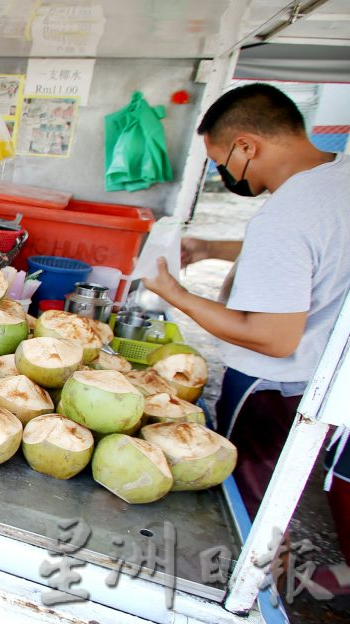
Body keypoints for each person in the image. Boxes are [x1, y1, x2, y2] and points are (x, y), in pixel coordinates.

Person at [143, 83, 350, 595]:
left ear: (247, 146)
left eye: (220, 161)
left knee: (250, 496)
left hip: (275, 383)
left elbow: (272, 338)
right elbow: (319, 241)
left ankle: (252, 586)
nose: (225, 174)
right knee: (293, 481)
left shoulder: (283, 216)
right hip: (328, 374)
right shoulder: (338, 177)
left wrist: (176, 293)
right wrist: (215, 245)